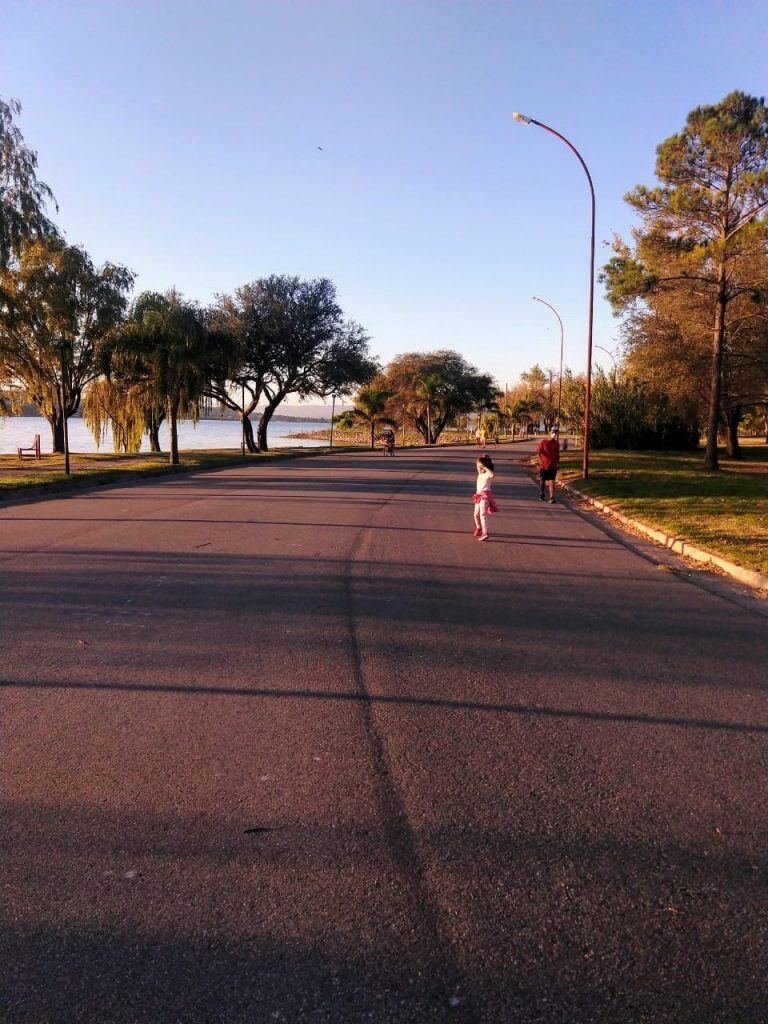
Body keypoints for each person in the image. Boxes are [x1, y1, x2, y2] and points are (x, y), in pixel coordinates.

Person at [473, 454, 498, 541]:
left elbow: (493, 475)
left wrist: (485, 467)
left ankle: (485, 532)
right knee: (476, 515)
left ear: (485, 467)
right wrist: (481, 466)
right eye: (477, 467)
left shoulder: (487, 474)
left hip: (485, 496)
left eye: (481, 467)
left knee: (482, 515)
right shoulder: (480, 474)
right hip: (478, 496)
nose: (479, 469)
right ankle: (479, 529)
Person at [537, 426, 560, 503]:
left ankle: (551, 497)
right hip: (544, 466)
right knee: (542, 481)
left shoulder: (556, 443)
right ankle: (542, 493)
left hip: (552, 466)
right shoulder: (543, 442)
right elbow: (539, 452)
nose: (554, 434)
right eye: (553, 432)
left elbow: (557, 454)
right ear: (550, 432)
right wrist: (540, 461)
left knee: (552, 481)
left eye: (556, 433)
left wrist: (558, 463)